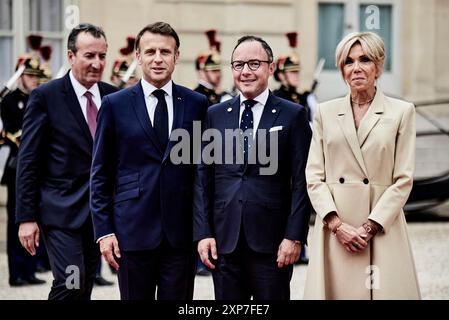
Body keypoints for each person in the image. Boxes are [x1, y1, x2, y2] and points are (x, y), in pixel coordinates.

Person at [90, 21, 208, 300]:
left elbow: (203, 173)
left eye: (165, 52)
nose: (158, 58)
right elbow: (100, 173)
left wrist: (204, 230)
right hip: (131, 233)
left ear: (177, 57)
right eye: (151, 51)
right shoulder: (114, 105)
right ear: (138, 56)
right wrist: (104, 231)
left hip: (180, 236)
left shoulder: (196, 104)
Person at [304, 31, 421, 299]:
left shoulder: (401, 112)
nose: (356, 68)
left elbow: (403, 179)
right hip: (336, 229)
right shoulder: (325, 112)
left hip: (381, 229)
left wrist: (369, 227)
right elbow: (314, 175)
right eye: (348, 61)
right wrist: (336, 225)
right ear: (342, 68)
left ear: (378, 66)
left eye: (364, 60)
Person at [193, 35, 312, 300]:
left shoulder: (293, 114)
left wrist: (294, 237)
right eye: (238, 65)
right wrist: (203, 233)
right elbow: (204, 179)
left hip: (272, 245)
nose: (245, 71)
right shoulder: (215, 115)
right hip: (224, 243)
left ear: (271, 68)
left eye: (254, 64)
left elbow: (302, 181)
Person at [15, 23, 117, 300]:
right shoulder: (45, 97)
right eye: (89, 56)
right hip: (61, 212)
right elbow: (28, 161)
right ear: (71, 56)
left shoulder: (114, 97)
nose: (97, 63)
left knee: (83, 286)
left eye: (101, 56)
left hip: (99, 213)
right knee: (71, 281)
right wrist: (26, 217)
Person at [0, 55, 46, 286]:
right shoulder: (8, 100)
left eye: (37, 77)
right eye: (30, 76)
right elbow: (10, 132)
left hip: (38, 168)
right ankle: (15, 273)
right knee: (17, 223)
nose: (34, 81)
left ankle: (30, 270)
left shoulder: (38, 99)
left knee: (36, 218)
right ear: (20, 76)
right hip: (16, 165)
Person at [273, 32, 315, 123]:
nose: (297, 75)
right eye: (292, 72)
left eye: (297, 72)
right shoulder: (276, 98)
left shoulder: (301, 97)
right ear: (281, 75)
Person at [194, 29, 222, 107]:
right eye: (213, 71)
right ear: (201, 72)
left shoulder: (218, 94)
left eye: (218, 70)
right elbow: (196, 120)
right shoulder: (195, 97)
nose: (218, 74)